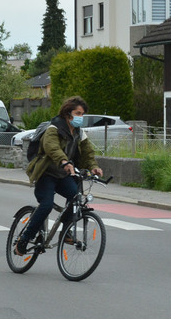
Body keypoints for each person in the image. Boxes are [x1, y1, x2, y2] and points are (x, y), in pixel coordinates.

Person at [14, 96, 104, 255]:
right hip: (46, 174)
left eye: (82, 114)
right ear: (68, 113)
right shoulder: (53, 129)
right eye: (78, 113)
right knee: (46, 205)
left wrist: (94, 167)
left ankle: (66, 232)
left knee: (76, 197)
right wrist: (64, 161)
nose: (80, 117)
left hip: (63, 175)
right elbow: (52, 147)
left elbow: (88, 152)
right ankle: (24, 240)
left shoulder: (78, 133)